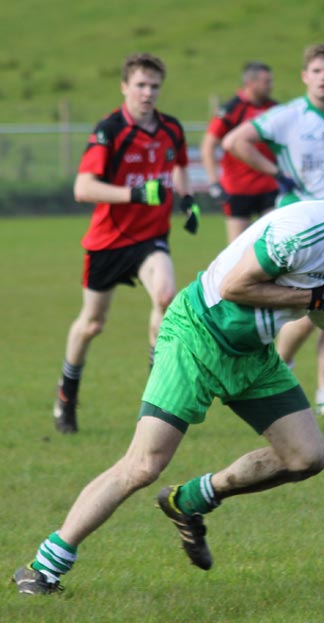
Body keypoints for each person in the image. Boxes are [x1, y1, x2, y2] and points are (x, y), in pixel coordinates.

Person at [13, 164, 324, 594]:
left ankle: (190, 500)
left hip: (250, 350)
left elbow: (318, 295)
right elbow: (234, 286)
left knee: (306, 456)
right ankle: (42, 567)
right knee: (143, 465)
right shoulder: (310, 230)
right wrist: (317, 298)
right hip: (197, 333)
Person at [223, 43, 324, 419]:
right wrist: (274, 172)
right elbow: (234, 141)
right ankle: (280, 365)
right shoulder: (287, 116)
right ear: (304, 76)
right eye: (317, 71)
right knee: (307, 305)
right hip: (299, 224)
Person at [53, 52, 200, 434]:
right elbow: (83, 189)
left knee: (167, 297)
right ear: (125, 87)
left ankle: (158, 396)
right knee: (92, 324)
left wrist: (187, 199)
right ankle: (67, 394)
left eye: (154, 86)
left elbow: (179, 165)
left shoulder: (171, 128)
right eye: (140, 85)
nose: (147, 92)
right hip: (108, 241)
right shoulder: (110, 130)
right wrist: (135, 194)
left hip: (152, 238)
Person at [201, 61, 279, 243]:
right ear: (251, 83)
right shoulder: (231, 110)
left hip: (269, 187)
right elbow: (208, 146)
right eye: (266, 82)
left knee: (275, 245)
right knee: (237, 249)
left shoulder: (275, 109)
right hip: (238, 189)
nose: (270, 86)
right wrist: (214, 183)